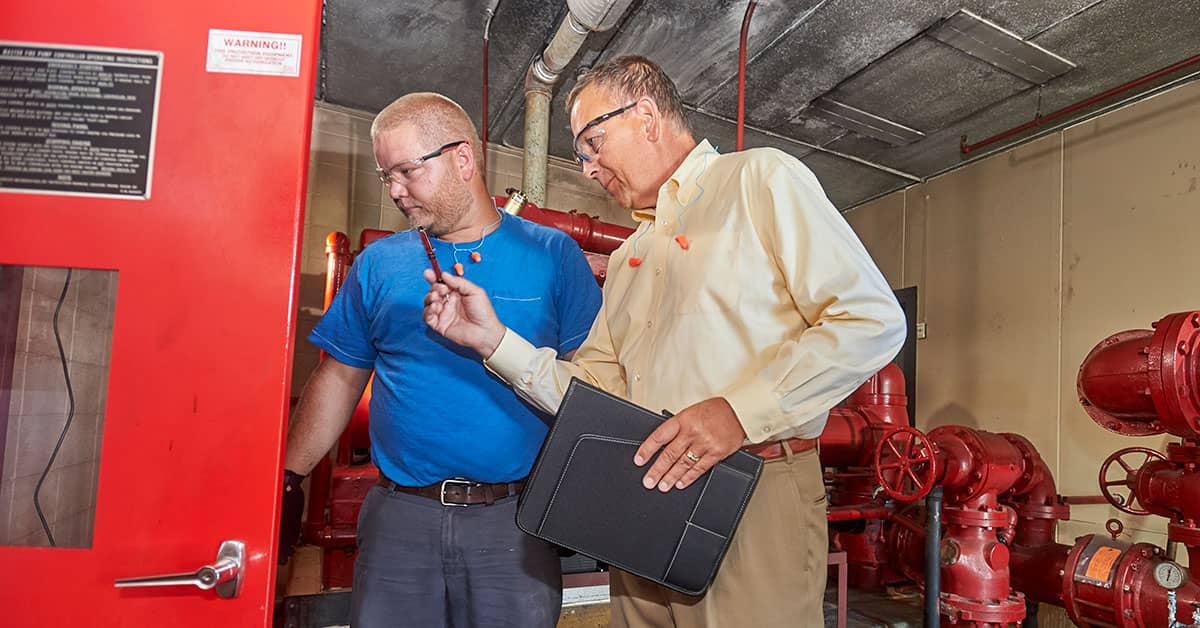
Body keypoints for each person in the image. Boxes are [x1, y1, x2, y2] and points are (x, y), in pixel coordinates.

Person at [420, 56, 906, 627]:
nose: (588, 167)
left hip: (753, 489)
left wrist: (738, 415)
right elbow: (594, 394)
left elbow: (870, 320)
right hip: (647, 492)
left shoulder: (758, 180)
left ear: (647, 115)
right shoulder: (630, 258)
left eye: (593, 142)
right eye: (581, 155)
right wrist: (494, 341)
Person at [277, 92, 603, 628]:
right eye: (387, 177)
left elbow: (589, 382)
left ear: (463, 158)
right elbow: (338, 377)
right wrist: (290, 477)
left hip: (514, 522)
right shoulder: (381, 264)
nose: (396, 191)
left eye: (406, 171)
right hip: (400, 520)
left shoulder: (553, 255)